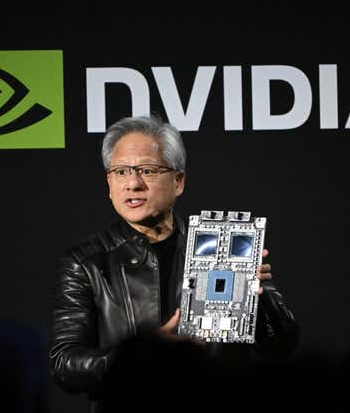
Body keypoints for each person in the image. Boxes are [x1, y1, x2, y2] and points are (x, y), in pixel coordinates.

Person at [48, 115, 300, 412]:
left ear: (178, 181)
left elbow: (281, 345)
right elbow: (65, 364)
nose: (133, 183)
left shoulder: (226, 245)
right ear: (109, 182)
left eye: (147, 170)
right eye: (120, 171)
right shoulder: (86, 262)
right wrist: (144, 353)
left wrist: (261, 299)